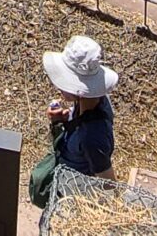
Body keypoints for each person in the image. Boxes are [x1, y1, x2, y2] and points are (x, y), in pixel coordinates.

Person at [29, 35, 118, 207]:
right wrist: (65, 118)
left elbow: (109, 185)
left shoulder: (92, 138)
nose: (59, 86)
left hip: (73, 195)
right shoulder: (95, 101)